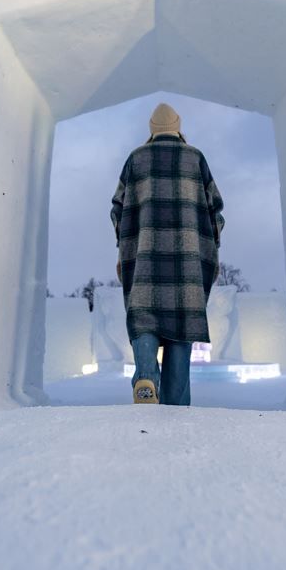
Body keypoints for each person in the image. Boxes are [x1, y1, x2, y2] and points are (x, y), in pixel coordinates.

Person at [110, 103, 224, 406]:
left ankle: (147, 375)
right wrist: (211, 247)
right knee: (181, 325)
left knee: (144, 318)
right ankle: (175, 401)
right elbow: (215, 212)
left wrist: (124, 251)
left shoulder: (135, 159)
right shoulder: (195, 158)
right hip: (188, 262)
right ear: (178, 126)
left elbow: (117, 210)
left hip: (144, 257)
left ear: (151, 128)